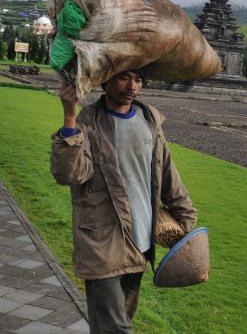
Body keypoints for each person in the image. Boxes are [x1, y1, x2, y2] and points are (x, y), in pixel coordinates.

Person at [50, 69, 197, 333]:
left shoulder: (148, 119)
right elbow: (69, 175)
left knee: (120, 322)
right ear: (105, 81)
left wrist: (186, 218)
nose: (132, 86)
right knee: (116, 329)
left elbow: (166, 174)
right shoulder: (88, 122)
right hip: (101, 240)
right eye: (123, 77)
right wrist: (70, 116)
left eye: (138, 79)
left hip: (140, 240)